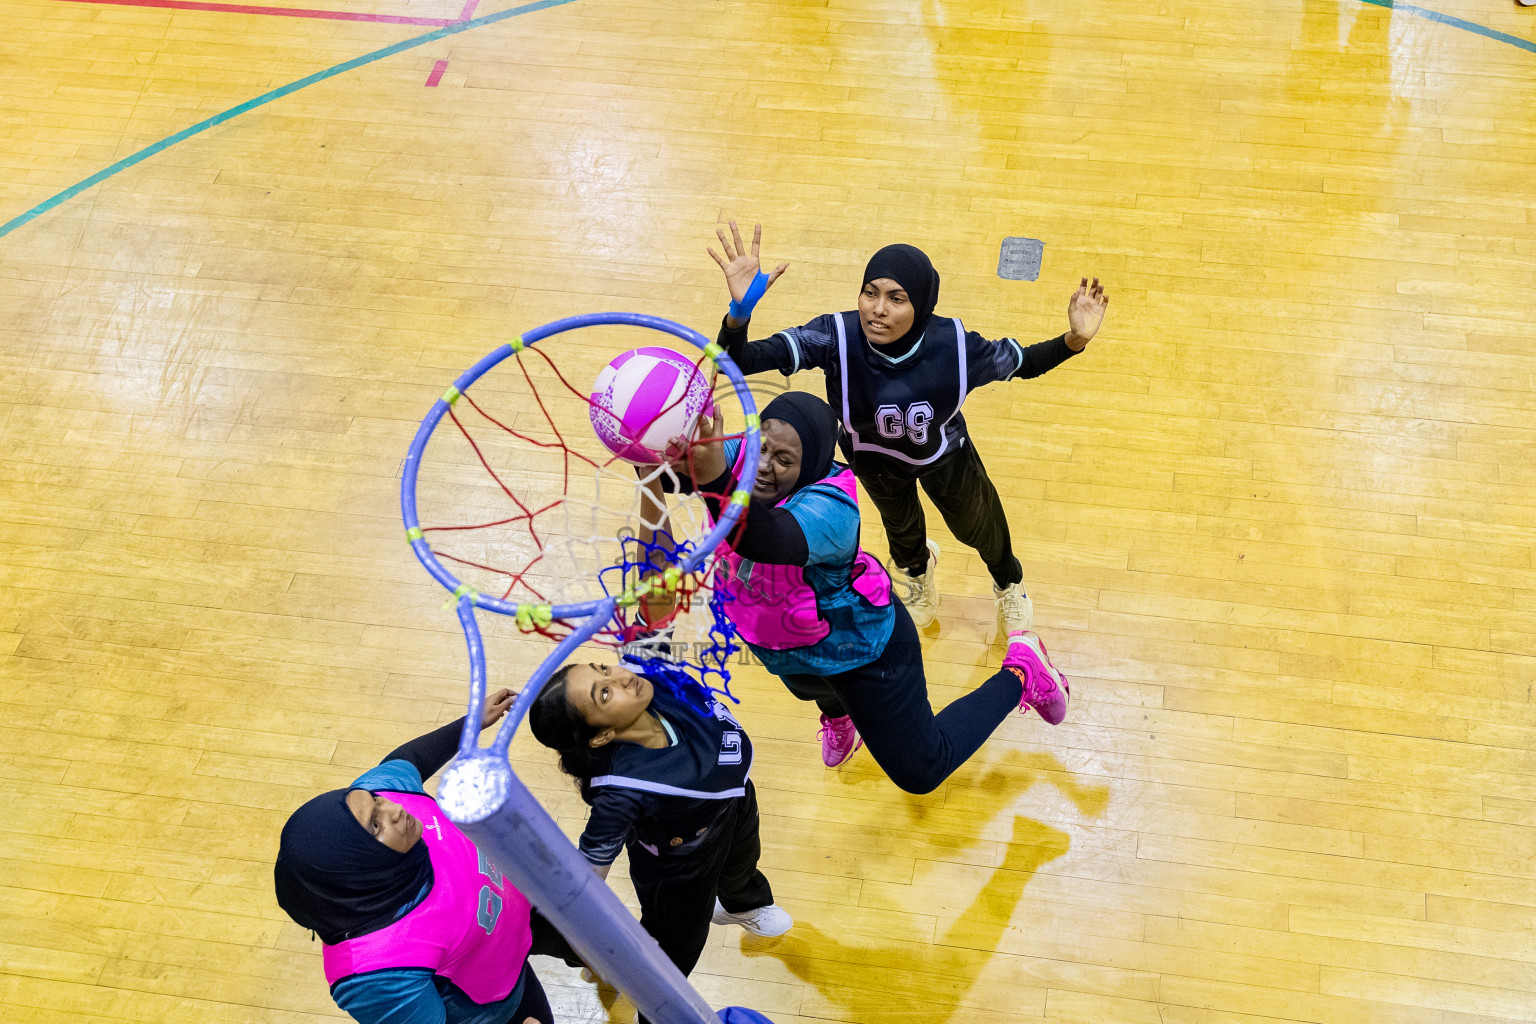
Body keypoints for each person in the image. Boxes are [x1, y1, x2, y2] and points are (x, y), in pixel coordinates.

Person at [707, 222, 1109, 634]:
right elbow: (737, 362)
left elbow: (1024, 362)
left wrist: (1074, 340)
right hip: (874, 460)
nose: (877, 309)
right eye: (870, 293)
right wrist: (739, 314)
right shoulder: (834, 336)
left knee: (980, 526)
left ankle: (1009, 584)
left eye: (896, 298)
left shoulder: (955, 346)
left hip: (945, 458)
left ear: (921, 304)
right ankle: (918, 572)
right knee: (901, 530)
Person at [661, 390, 1070, 791]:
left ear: (812, 463)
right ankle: (841, 717)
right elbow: (671, 475)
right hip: (783, 640)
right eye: (760, 449)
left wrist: (714, 478)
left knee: (922, 770)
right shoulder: (752, 452)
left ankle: (1022, 671)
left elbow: (764, 540)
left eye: (784, 460)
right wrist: (649, 447)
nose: (764, 465)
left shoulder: (832, 508)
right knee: (809, 687)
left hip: (862, 649)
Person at [274, 688, 564, 1024]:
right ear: (357, 872)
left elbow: (409, 758)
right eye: (375, 826)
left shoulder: (382, 794)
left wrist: (471, 724)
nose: (394, 809)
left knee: (604, 948)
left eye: (376, 801)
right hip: (501, 1002)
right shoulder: (374, 971)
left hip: (523, 909)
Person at [527, 658, 790, 1024]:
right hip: (680, 866)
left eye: (603, 669)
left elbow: (648, 631)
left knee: (742, 866)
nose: (622, 678)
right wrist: (589, 941)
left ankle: (741, 906)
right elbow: (586, 878)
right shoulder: (620, 792)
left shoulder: (645, 674)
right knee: (674, 954)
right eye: (605, 694)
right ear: (602, 736)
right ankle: (652, 1010)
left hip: (731, 801)